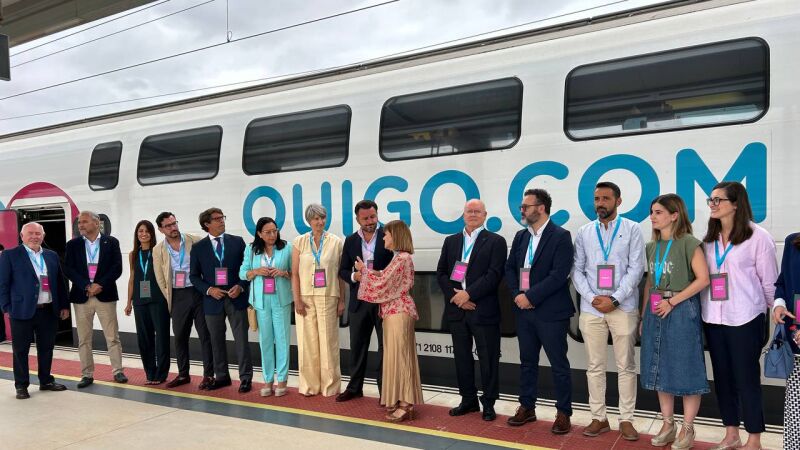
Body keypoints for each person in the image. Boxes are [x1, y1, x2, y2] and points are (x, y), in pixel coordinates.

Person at [701, 181, 777, 450]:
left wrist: (777, 316)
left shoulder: (758, 237)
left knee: (747, 380)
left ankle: (754, 438)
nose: (712, 205)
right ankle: (731, 433)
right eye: (710, 200)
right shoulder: (709, 240)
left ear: (735, 204)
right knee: (722, 378)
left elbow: (770, 282)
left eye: (718, 200)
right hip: (714, 317)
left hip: (745, 318)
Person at [572, 182, 645, 441]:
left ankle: (626, 419)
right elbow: (577, 270)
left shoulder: (632, 229)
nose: (600, 203)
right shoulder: (584, 232)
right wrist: (593, 298)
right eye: (597, 199)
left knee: (626, 365)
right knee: (594, 366)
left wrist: (614, 299)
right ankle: (599, 418)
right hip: (592, 309)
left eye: (605, 198)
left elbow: (636, 269)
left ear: (618, 201)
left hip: (623, 307)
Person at [640, 194, 710, 449]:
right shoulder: (651, 246)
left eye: (658, 212)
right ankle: (668, 424)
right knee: (660, 366)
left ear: (674, 215)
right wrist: (644, 316)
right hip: (656, 310)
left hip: (680, 309)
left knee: (686, 368)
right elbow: (650, 282)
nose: (652, 217)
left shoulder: (689, 243)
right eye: (652, 212)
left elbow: (703, 279)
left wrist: (673, 302)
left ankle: (687, 428)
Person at [504, 189, 575, 434]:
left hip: (551, 313)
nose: (522, 210)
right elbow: (510, 268)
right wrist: (517, 294)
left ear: (541, 208)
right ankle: (527, 407)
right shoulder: (521, 236)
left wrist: (530, 297)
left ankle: (564, 413)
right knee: (527, 362)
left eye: (526, 206)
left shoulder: (561, 236)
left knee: (559, 365)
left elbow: (559, 274)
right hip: (524, 312)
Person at [436, 199, 506, 421]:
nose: (473, 214)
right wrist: (457, 298)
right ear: (463, 214)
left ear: (485, 215)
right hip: (458, 311)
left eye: (477, 211)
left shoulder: (496, 241)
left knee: (488, 358)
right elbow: (441, 273)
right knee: (462, 358)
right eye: (469, 211)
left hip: (482, 309)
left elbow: (494, 274)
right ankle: (468, 400)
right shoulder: (451, 241)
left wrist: (468, 294)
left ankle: (489, 403)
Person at [356, 219, 423, 422]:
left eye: (386, 234)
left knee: (400, 357)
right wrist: (369, 272)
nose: (383, 237)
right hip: (395, 312)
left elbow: (384, 283)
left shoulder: (402, 258)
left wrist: (364, 272)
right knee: (397, 356)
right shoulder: (399, 258)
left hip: (398, 313)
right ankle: (401, 399)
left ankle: (406, 404)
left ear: (396, 236)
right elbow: (385, 276)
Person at [0, 223, 70, 399]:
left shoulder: (51, 255)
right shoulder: (10, 255)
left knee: (46, 348)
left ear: (43, 236)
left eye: (38, 233)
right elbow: (3, 283)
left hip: (48, 310)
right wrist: (6, 306)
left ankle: (46, 381)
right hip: (20, 310)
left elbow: (60, 282)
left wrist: (63, 305)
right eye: (30, 233)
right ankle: (21, 385)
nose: (34, 236)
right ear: (22, 236)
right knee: (20, 350)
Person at [189, 208, 253, 393]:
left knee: (241, 340)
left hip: (236, 297)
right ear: (206, 224)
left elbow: (247, 269)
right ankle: (222, 376)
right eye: (217, 219)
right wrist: (209, 290)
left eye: (222, 217)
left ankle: (245, 378)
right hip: (212, 301)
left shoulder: (237, 242)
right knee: (216, 340)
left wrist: (240, 286)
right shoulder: (198, 248)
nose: (222, 221)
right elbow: (194, 276)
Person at [337, 200, 394, 402]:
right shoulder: (351, 240)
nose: (370, 221)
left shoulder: (389, 235)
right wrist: (356, 276)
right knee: (357, 347)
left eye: (373, 217)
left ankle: (385, 391)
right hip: (359, 302)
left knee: (385, 348)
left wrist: (374, 274)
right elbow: (343, 270)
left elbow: (396, 266)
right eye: (365, 218)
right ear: (357, 219)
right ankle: (354, 388)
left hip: (383, 301)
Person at [64, 211, 127, 388]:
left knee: (112, 337)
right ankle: (87, 374)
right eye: (79, 223)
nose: (80, 225)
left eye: (84, 222)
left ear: (97, 223)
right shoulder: (73, 244)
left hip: (105, 295)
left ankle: (118, 371)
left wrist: (100, 285)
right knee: (84, 339)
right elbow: (68, 269)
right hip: (82, 296)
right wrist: (86, 285)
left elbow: (117, 267)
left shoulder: (111, 242)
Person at [153, 212, 215, 390]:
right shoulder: (158, 250)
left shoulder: (194, 240)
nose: (173, 227)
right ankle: (183, 374)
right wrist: (170, 297)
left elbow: (208, 266)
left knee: (205, 335)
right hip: (178, 296)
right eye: (168, 226)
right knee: (180, 337)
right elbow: (160, 278)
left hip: (198, 292)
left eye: (174, 223)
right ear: (161, 229)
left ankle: (208, 375)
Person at [291, 204, 345, 397]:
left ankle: (330, 387)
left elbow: (340, 275)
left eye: (323, 218)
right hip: (305, 297)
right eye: (316, 218)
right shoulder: (299, 242)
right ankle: (309, 386)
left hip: (328, 296)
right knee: (307, 342)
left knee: (328, 343)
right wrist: (296, 299)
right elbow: (295, 274)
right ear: (309, 221)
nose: (320, 222)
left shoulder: (336, 242)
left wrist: (341, 300)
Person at [240, 217, 293, 397]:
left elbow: (296, 272)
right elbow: (242, 272)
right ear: (259, 234)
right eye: (268, 232)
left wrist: (284, 273)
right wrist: (255, 272)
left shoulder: (287, 248)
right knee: (266, 342)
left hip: (281, 299)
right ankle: (268, 380)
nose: (272, 235)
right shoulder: (251, 249)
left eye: (274, 231)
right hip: (261, 302)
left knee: (283, 340)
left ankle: (282, 380)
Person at [124, 220, 171, 385]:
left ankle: (161, 374)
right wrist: (129, 302)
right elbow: (132, 279)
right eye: (140, 231)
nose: (143, 234)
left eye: (146, 231)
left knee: (162, 337)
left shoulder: (159, 251)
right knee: (144, 338)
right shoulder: (133, 254)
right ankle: (150, 373)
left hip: (158, 300)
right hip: (140, 301)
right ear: (136, 234)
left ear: (152, 233)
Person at [772, 233, 800, 449]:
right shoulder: (793, 242)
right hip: (795, 339)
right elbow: (782, 282)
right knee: (795, 407)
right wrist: (779, 304)